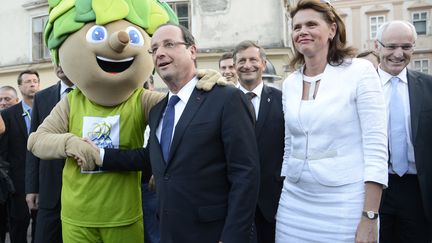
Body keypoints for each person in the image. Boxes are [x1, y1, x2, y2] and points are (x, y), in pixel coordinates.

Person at [94, 23, 260, 243]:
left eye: (169, 44)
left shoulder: (227, 99)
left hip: (214, 233)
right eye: (154, 49)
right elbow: (153, 157)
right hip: (170, 231)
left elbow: (246, 174)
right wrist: (99, 154)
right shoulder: (157, 111)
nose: (160, 53)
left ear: (192, 51)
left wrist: (232, 237)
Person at [276, 1, 388, 242]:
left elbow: (376, 146)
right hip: (294, 202)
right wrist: (287, 178)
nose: (302, 31)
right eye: (296, 27)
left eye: (311, 24)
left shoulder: (360, 71)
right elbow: (290, 143)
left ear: (332, 30)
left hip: (344, 202)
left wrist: (370, 216)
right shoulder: (290, 83)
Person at [375, 20, 432, 243]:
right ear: (377, 47)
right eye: (391, 46)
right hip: (374, 188)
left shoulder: (429, 87)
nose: (399, 54)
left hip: (418, 191)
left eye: (406, 47)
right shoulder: (361, 87)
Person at [233, 40, 284, 243]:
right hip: (234, 202)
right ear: (235, 65)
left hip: (272, 203)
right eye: (241, 60)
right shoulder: (221, 100)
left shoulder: (282, 99)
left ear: (263, 63)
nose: (247, 65)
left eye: (253, 59)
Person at [24, 66, 74, 243]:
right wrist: (32, 188)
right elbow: (33, 145)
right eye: (56, 59)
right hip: (49, 190)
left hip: (81, 189)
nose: (60, 65)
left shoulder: (93, 92)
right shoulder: (42, 97)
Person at [0, 69, 40, 243]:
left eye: (35, 80)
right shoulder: (8, 114)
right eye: (27, 81)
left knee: (41, 226)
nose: (32, 84)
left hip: (42, 178)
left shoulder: (48, 108)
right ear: (20, 86)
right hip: (18, 182)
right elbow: (3, 150)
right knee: (18, 226)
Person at [0, 86, 18, 243]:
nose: (3, 103)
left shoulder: (21, 117)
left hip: (15, 180)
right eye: (0, 100)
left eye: (7, 99)